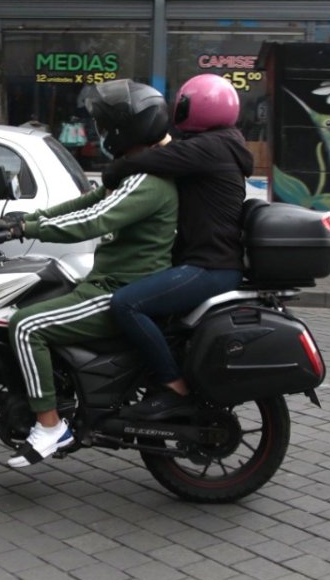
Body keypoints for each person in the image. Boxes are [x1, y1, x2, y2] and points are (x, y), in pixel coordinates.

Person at [1, 80, 179, 467]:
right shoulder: (136, 172)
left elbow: (92, 220)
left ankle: (50, 426)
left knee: (25, 326)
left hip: (117, 289)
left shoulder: (147, 182)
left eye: (105, 125)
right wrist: (29, 218)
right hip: (108, 282)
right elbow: (87, 202)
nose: (101, 132)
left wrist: (27, 230)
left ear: (125, 129)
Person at [101, 74, 253, 420]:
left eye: (181, 104)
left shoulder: (209, 148)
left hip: (210, 267)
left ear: (193, 107)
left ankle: (174, 388)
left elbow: (150, 161)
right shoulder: (222, 144)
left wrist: (114, 170)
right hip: (211, 263)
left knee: (127, 304)